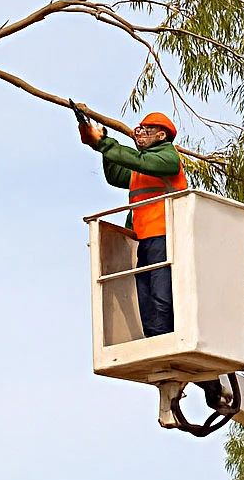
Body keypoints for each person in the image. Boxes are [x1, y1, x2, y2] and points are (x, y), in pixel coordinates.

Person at [76, 107, 186, 337]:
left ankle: (166, 338)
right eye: (141, 129)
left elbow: (137, 160)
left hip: (165, 235)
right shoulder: (142, 168)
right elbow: (116, 175)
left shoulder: (168, 157)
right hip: (145, 239)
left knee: (160, 293)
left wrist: (104, 144)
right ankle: (155, 340)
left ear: (162, 135)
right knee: (145, 294)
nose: (142, 133)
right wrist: (102, 143)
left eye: (148, 129)